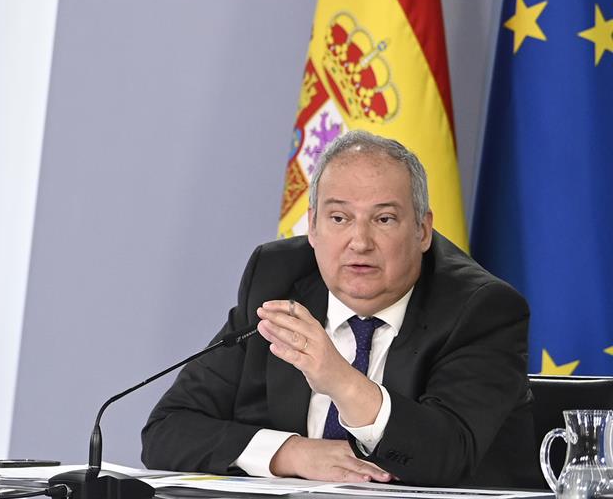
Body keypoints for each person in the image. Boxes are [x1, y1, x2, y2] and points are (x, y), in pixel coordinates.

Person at [141, 130, 538, 488]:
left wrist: (340, 381)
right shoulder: (276, 280)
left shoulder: (482, 310)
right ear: (312, 226)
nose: (359, 241)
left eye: (383, 219)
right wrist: (292, 453)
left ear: (422, 230)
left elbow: (447, 455)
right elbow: (167, 430)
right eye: (339, 218)